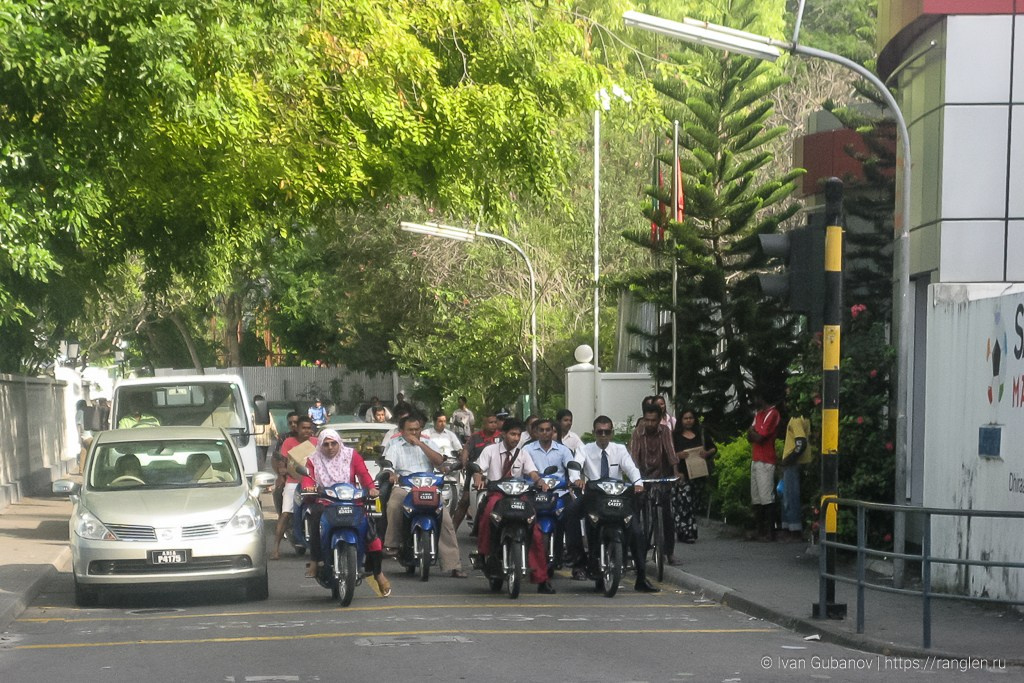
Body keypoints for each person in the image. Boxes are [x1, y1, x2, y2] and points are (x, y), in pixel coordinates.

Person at [565, 415, 660, 592]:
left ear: (612, 433)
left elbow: (631, 468)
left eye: (607, 432)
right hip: (594, 497)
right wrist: (576, 479)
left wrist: (638, 483)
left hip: (617, 497)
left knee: (636, 531)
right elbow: (575, 466)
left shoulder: (620, 449)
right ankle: (577, 558)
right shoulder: (584, 449)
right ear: (594, 433)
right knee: (570, 511)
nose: (603, 435)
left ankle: (641, 577)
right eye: (599, 432)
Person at [298, 428, 391, 596]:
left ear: (339, 443)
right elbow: (307, 477)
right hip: (325, 501)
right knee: (314, 517)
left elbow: (363, 474)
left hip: (352, 500)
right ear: (320, 445)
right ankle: (315, 560)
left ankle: (378, 574)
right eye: (326, 444)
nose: (330, 447)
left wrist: (370, 488)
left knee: (372, 534)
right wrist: (308, 487)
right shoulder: (313, 460)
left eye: (334, 443)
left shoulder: (351, 455)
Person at [471, 419, 553, 593]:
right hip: (497, 494)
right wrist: (478, 478)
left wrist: (540, 482)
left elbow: (532, 472)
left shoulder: (522, 453)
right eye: (512, 434)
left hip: (519, 495)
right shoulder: (490, 450)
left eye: (518, 435)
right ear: (503, 434)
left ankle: (541, 579)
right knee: (487, 516)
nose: (516, 438)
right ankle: (482, 554)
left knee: (536, 531)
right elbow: (479, 468)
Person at [382, 414, 467, 578]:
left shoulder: (428, 443)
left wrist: (420, 444)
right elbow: (389, 467)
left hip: (429, 487)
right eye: (410, 430)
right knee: (393, 504)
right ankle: (392, 544)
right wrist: (391, 475)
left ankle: (454, 565)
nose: (414, 433)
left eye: (417, 429)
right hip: (405, 487)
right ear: (401, 431)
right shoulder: (394, 445)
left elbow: (439, 462)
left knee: (445, 520)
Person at [629, 398, 682, 565]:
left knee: (667, 515)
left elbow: (671, 452)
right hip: (643, 476)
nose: (650, 424)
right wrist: (636, 480)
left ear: (660, 419)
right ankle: (635, 550)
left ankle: (669, 553)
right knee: (635, 514)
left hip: (662, 476)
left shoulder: (665, 431)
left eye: (654, 420)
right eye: (647, 420)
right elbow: (634, 458)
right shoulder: (638, 432)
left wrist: (676, 473)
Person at [523, 417, 574, 567]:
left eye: (548, 430)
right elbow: (520, 470)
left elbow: (572, 469)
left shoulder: (563, 450)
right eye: (541, 430)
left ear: (553, 432)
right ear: (536, 432)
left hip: (559, 492)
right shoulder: (527, 450)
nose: (545, 433)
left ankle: (572, 554)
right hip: (534, 492)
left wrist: (574, 479)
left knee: (571, 514)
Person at [270, 416, 318, 560]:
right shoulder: (288, 442)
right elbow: (282, 462)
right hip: (293, 482)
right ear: (297, 429)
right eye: (303, 428)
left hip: (313, 482)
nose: (306, 431)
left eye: (309, 428)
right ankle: (276, 548)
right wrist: (282, 472)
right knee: (285, 514)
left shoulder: (317, 443)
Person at [671, 407, 717, 545]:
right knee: (684, 503)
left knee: (693, 504)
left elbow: (713, 448)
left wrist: (706, 453)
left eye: (691, 418)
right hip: (682, 474)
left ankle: (689, 530)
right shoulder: (675, 436)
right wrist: (678, 457)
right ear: (681, 420)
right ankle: (685, 532)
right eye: (685, 418)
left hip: (698, 475)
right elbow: (670, 454)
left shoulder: (700, 434)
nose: (688, 421)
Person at [452, 412, 500, 531]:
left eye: (495, 422)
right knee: (464, 501)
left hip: (496, 473)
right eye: (490, 422)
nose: (493, 425)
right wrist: (464, 463)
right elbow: (466, 451)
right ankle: (452, 531)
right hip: (475, 471)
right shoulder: (475, 437)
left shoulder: (501, 437)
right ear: (484, 423)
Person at [747, 392, 781, 541]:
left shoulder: (772, 414)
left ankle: (770, 531)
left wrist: (754, 433)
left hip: (766, 459)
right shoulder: (759, 414)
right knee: (756, 497)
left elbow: (760, 437)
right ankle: (759, 529)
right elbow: (750, 435)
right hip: (756, 458)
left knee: (766, 496)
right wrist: (754, 433)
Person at [780, 412, 811, 542]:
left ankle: (795, 531)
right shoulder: (803, 418)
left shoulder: (797, 419)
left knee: (790, 497)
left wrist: (789, 459)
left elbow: (801, 443)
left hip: (793, 464)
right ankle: (788, 529)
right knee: (786, 495)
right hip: (795, 463)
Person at [271, 412, 300, 515]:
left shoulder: (310, 438)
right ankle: (283, 518)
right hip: (288, 475)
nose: (293, 425)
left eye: (295, 422)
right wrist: (280, 475)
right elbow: (276, 457)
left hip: (308, 476)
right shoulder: (284, 438)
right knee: (279, 492)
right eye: (290, 423)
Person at [252, 395, 278, 471]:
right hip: (264, 440)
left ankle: (259, 472)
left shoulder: (252, 414)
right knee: (262, 459)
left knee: (257, 459)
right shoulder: (267, 414)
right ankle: (261, 472)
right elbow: (273, 426)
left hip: (256, 440)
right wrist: (276, 435)